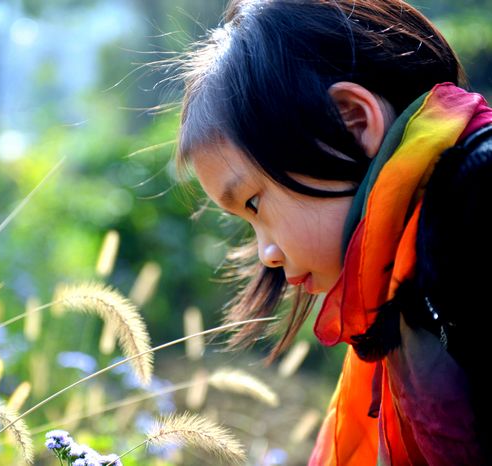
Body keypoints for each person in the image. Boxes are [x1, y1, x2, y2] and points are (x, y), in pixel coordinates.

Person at [173, 0, 492, 464]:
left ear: (352, 122)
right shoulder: (400, 270)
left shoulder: (476, 202)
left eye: (255, 203)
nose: (266, 255)